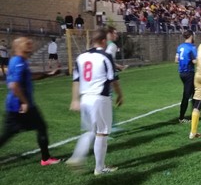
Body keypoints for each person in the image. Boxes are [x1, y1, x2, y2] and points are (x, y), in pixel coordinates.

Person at [67, 29, 124, 175]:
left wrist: (75, 99)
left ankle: (77, 156)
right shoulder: (105, 56)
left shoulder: (81, 57)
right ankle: (99, 167)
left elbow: (76, 80)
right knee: (102, 133)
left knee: (90, 131)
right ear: (104, 41)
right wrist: (120, 95)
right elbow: (113, 79)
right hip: (100, 98)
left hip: (85, 98)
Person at [0, 37, 61, 166]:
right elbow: (14, 85)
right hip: (19, 106)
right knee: (9, 134)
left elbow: (31, 76)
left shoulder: (20, 61)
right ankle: (45, 159)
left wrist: (49, 74)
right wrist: (25, 102)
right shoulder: (18, 62)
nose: (30, 44)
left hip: (21, 105)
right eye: (26, 43)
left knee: (37, 127)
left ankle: (46, 158)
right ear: (18, 47)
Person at [175, 30, 197, 123]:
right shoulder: (192, 47)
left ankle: (194, 115)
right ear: (191, 36)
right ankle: (181, 118)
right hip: (189, 73)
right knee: (187, 95)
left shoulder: (180, 46)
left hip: (182, 73)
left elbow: (176, 60)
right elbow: (195, 61)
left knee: (194, 93)